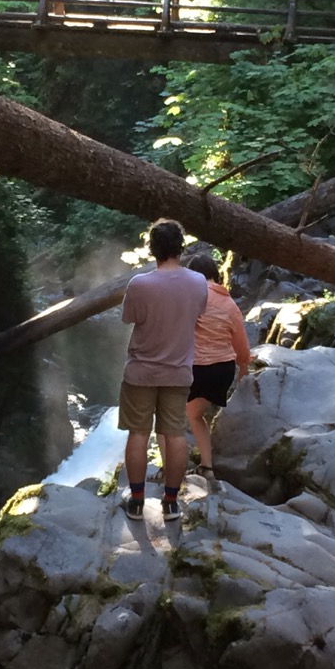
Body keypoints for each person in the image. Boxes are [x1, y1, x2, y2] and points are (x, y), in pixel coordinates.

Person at [118, 218, 208, 522]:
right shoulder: (198, 282)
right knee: (175, 434)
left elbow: (129, 318)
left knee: (138, 433)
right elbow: (198, 314)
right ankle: (171, 503)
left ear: (152, 248)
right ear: (180, 247)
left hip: (141, 372)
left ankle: (137, 502)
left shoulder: (139, 284)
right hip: (179, 371)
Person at [184, 252, 250, 479]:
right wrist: (243, 368)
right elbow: (241, 344)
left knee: (168, 415)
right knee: (194, 414)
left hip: (196, 369)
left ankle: (169, 469)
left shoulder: (192, 296)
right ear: (216, 274)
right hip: (223, 371)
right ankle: (207, 468)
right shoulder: (230, 304)